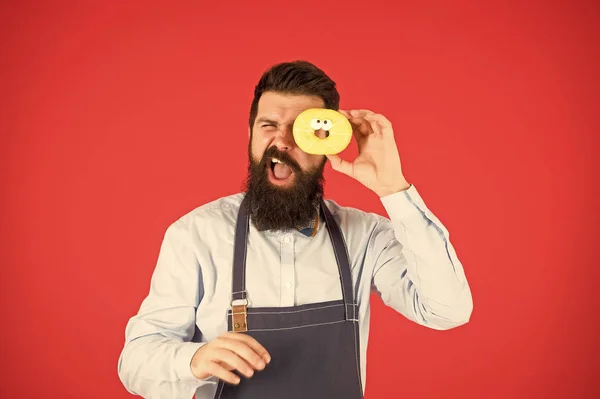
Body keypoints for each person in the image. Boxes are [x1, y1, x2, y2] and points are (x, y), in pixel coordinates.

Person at [117, 60, 473, 399]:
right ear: (250, 134)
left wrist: (393, 189)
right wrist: (193, 360)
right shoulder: (196, 235)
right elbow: (135, 362)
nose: (283, 142)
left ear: (329, 144)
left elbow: (446, 310)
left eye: (306, 130)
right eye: (268, 125)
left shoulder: (364, 237)